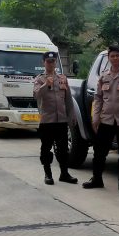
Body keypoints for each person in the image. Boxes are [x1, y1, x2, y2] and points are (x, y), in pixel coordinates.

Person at [82, 45, 119, 194]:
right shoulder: (103, 76)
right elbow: (98, 98)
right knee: (99, 152)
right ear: (108, 58)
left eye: (117, 55)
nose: (114, 58)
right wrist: (95, 117)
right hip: (106, 120)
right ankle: (97, 179)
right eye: (112, 56)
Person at [33, 51, 78, 185]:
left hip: (62, 121)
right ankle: (48, 174)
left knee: (63, 149)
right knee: (46, 149)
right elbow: (36, 95)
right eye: (48, 61)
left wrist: (72, 115)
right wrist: (45, 84)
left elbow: (68, 99)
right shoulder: (39, 79)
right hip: (47, 121)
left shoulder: (62, 78)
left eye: (53, 61)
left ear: (56, 63)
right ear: (44, 63)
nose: (51, 64)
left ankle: (64, 174)